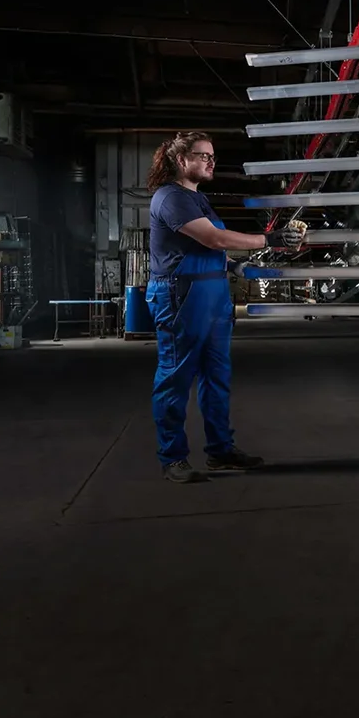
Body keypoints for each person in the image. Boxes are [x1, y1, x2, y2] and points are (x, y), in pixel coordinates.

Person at [144, 131, 288, 484]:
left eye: (212, 156)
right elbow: (214, 238)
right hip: (181, 296)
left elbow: (210, 249)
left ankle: (220, 451)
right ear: (181, 160)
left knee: (216, 378)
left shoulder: (199, 199)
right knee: (175, 379)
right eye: (202, 155)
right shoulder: (170, 197)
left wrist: (232, 267)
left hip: (212, 295)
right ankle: (173, 457)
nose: (210, 161)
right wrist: (269, 240)